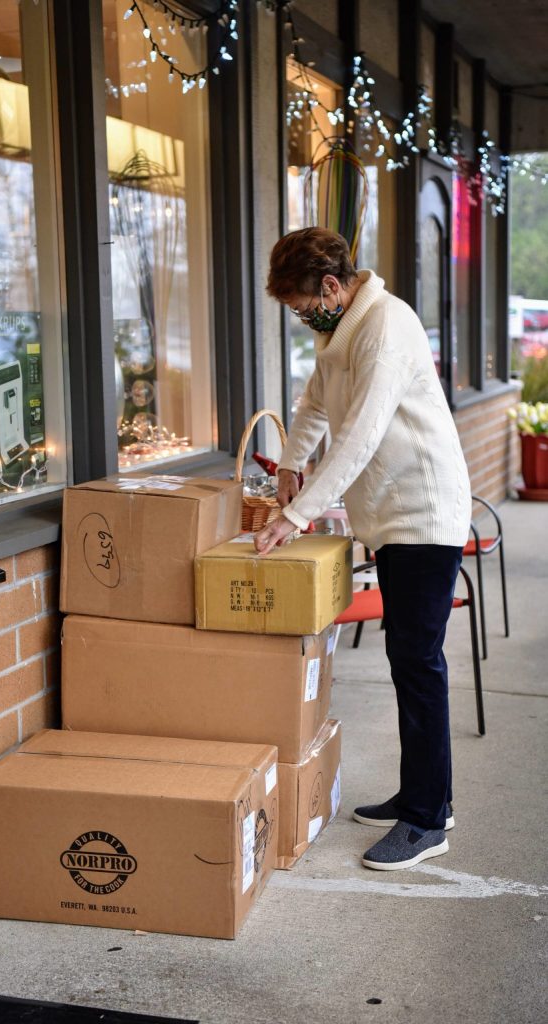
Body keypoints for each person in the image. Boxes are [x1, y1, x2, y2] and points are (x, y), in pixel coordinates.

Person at [255, 227, 471, 871]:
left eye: (303, 307)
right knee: (408, 659)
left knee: (418, 662)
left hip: (424, 514)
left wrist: (295, 516)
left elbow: (360, 434)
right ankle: (424, 795)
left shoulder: (386, 328)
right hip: (391, 518)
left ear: (330, 286)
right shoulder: (340, 332)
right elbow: (315, 405)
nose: (304, 318)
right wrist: (289, 465)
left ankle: (427, 822)